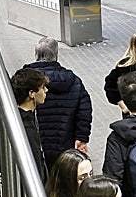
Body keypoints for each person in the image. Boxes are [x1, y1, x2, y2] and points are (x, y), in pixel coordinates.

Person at [24, 37, 92, 169]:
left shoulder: (26, 81)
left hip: (33, 143)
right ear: (56, 55)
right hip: (65, 145)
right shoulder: (74, 81)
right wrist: (81, 137)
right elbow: (84, 110)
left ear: (36, 54)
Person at [11, 67, 49, 183]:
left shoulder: (18, 116)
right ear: (32, 93)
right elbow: (36, 165)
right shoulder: (26, 128)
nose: (46, 90)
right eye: (42, 87)